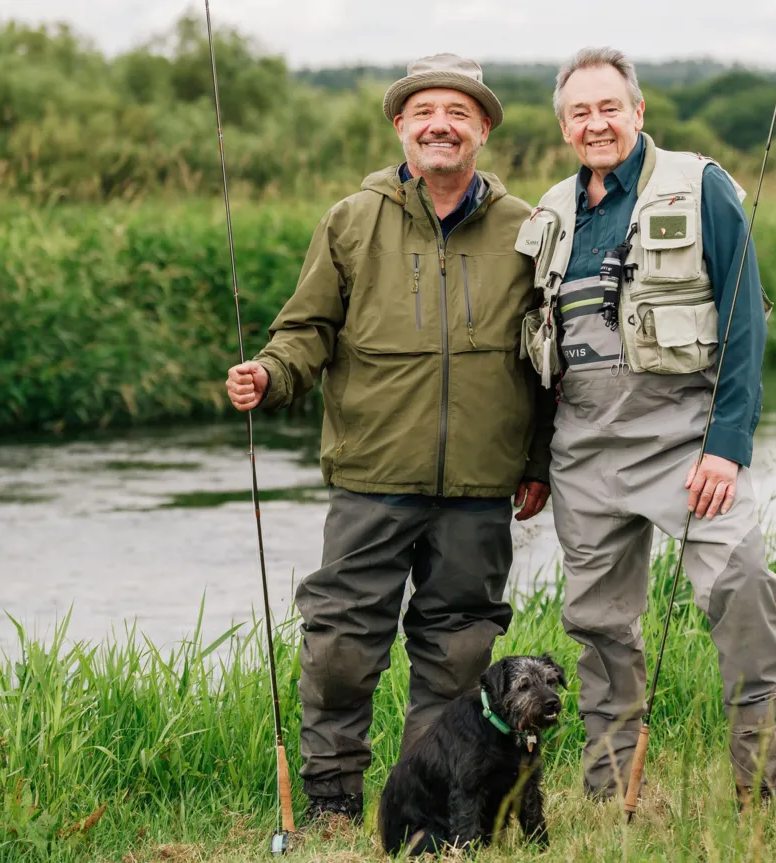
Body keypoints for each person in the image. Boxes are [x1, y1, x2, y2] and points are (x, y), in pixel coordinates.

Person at [225, 53, 556, 825]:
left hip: (479, 486)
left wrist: (536, 463)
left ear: (482, 129)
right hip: (371, 475)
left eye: (459, 113)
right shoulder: (350, 219)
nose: (441, 125)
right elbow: (304, 330)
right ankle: (333, 801)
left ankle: (429, 805)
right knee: (340, 645)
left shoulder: (529, 227)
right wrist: (270, 376)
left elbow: (547, 358)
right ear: (402, 126)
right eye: (424, 112)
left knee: (462, 654)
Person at [514, 46, 776, 807]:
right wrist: (538, 463)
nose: (596, 122)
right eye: (580, 112)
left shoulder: (700, 186)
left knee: (744, 600)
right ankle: (612, 798)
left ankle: (766, 797)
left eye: (610, 107)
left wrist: (726, 448)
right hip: (582, 454)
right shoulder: (549, 215)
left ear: (639, 112)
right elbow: (536, 358)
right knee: (600, 632)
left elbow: (745, 324)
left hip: (688, 448)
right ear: (564, 125)